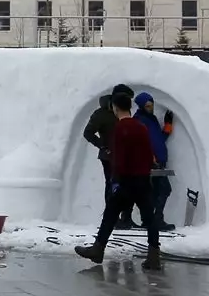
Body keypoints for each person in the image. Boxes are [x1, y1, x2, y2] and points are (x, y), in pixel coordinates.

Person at [74, 87, 161, 270]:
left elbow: (119, 158)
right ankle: (154, 256)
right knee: (149, 217)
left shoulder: (120, 128)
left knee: (110, 214)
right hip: (143, 179)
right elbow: (148, 153)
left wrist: (115, 181)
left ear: (115, 107)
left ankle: (98, 249)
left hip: (126, 180)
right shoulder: (141, 126)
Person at [82, 86, 138, 229]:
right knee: (113, 186)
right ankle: (112, 218)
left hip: (126, 155)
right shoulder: (101, 114)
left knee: (128, 185)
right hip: (109, 157)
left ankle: (126, 217)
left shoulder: (125, 111)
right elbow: (88, 133)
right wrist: (103, 146)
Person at [133, 90, 176, 231]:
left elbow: (158, 140)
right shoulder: (139, 121)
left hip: (159, 161)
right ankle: (156, 219)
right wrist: (150, 159)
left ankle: (150, 220)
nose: (150, 108)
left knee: (155, 192)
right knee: (164, 190)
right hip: (151, 163)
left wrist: (167, 126)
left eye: (151, 105)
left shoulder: (152, 120)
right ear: (141, 106)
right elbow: (140, 143)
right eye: (147, 106)